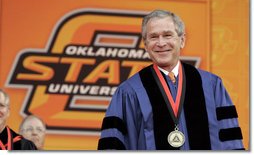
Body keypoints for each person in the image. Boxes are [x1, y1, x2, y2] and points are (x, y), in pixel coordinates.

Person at [97, 9, 245, 150]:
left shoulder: (211, 85)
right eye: (153, 37)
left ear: (182, 40)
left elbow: (231, 142)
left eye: (168, 35)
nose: (161, 43)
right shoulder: (128, 92)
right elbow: (113, 145)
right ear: (145, 45)